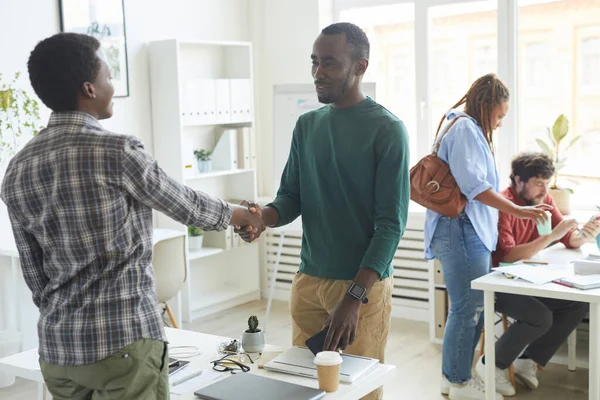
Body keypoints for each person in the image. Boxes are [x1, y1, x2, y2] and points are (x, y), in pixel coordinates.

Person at [0, 32, 263, 400]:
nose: (113, 84)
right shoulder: (116, 151)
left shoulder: (17, 169)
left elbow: (35, 277)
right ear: (89, 88)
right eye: (109, 76)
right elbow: (183, 203)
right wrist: (243, 215)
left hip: (59, 353)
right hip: (123, 344)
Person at [237, 22, 410, 400]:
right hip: (308, 282)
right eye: (314, 62)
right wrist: (262, 220)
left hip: (361, 289)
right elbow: (290, 198)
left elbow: (390, 226)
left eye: (329, 63)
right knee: (305, 390)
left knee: (357, 392)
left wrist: (354, 298)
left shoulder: (388, 130)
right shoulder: (307, 125)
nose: (318, 73)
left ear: (360, 66)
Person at [423, 73, 551, 400]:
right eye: (500, 115)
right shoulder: (465, 128)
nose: (500, 123)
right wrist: (518, 210)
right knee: (468, 309)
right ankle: (460, 383)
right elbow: (475, 187)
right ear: (486, 105)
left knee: (469, 308)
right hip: (462, 230)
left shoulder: (464, 126)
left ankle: (452, 378)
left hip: (463, 230)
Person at [474, 152, 596, 395]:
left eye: (547, 184)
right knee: (540, 317)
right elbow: (508, 256)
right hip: (500, 282)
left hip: (530, 279)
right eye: (539, 183)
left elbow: (568, 238)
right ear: (518, 180)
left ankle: (527, 361)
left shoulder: (544, 200)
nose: (544, 190)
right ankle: (490, 365)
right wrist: (551, 236)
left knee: (577, 304)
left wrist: (584, 235)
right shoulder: (504, 204)